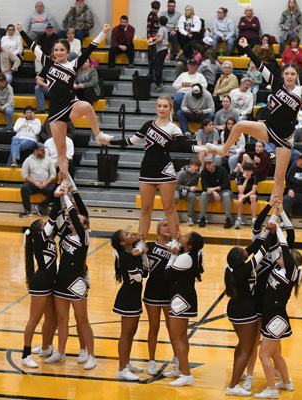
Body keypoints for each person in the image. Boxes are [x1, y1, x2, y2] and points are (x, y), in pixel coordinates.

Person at [206, 37, 302, 211]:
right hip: (268, 129)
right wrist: (246, 47)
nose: (289, 76)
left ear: (297, 76)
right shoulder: (276, 83)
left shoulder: (301, 91)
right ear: (283, 75)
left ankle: (277, 212)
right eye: (287, 74)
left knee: (278, 179)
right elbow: (260, 65)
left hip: (285, 139)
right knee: (239, 125)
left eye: (293, 74)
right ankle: (224, 150)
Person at [17, 22, 112, 190]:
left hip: (70, 104)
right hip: (55, 113)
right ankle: (65, 181)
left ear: (68, 52)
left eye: (62, 50)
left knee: (87, 107)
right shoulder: (48, 63)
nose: (59, 52)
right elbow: (33, 47)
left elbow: (91, 48)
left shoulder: (73, 65)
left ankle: (98, 135)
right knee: (61, 152)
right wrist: (21, 31)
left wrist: (103, 32)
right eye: (56, 50)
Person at [107, 96, 206, 253]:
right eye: (159, 106)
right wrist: (110, 142)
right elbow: (131, 141)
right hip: (147, 169)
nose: (162, 109)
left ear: (170, 108)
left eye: (165, 106)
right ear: (156, 107)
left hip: (165, 169)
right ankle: (141, 242)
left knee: (169, 208)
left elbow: (185, 146)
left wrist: (203, 148)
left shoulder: (173, 128)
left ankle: (175, 240)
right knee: (145, 209)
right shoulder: (148, 125)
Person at [45, 180, 96, 371]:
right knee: (62, 320)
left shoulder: (84, 237)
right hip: (61, 280)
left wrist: (66, 195)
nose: (73, 221)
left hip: (77, 282)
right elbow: (58, 216)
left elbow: (73, 214)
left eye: (78, 220)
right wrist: (59, 195)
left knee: (82, 320)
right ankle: (60, 352)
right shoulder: (65, 234)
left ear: (84, 225)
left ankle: (91, 355)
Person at [223, 221, 277, 396]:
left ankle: (236, 374)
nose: (245, 250)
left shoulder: (231, 267)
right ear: (242, 259)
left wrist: (265, 232)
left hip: (233, 309)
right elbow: (261, 251)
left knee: (241, 345)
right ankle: (232, 386)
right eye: (243, 252)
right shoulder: (246, 269)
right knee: (247, 350)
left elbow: (253, 247)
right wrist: (272, 233)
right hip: (246, 311)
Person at [254, 223, 302, 399]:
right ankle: (286, 382)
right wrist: (273, 227)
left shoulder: (290, 272)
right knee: (275, 354)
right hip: (272, 317)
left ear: (291, 262)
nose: (280, 256)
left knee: (263, 354)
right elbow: (278, 248)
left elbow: (284, 245)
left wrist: (279, 230)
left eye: (284, 256)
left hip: (276, 318)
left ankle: (272, 389)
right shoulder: (278, 268)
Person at [20, 191, 62, 368]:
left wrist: (65, 197)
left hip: (50, 282)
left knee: (52, 318)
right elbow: (53, 217)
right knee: (34, 320)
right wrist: (57, 197)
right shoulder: (40, 239)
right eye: (44, 225)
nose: (48, 226)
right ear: (39, 231)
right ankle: (25, 355)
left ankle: (46, 348)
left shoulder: (49, 238)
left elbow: (57, 219)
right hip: (41, 284)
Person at [164, 231, 204, 386]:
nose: (183, 236)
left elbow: (168, 274)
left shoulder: (185, 258)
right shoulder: (189, 255)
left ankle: (187, 374)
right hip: (183, 296)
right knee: (181, 336)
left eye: (186, 236)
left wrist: (172, 255)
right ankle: (181, 368)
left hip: (181, 299)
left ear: (189, 245)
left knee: (177, 337)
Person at [110, 229, 146, 381]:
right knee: (126, 333)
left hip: (134, 296)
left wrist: (141, 253)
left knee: (131, 332)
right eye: (127, 235)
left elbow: (145, 272)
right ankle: (121, 369)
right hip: (127, 297)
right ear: (123, 243)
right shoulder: (126, 255)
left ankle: (127, 363)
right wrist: (139, 255)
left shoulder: (132, 253)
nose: (131, 234)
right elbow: (138, 277)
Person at [143, 219, 175, 375]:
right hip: (153, 290)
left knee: (173, 328)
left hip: (170, 291)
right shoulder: (149, 246)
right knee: (154, 327)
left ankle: (177, 357)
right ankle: (151, 361)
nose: (167, 228)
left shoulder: (176, 247)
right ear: (158, 229)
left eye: (170, 225)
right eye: (164, 225)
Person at [19, 143, 56, 217]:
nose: (44, 151)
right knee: (24, 188)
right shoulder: (28, 160)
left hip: (45, 184)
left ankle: (42, 206)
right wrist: (35, 183)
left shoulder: (48, 159)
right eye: (42, 150)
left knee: (57, 189)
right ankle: (27, 210)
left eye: (44, 149)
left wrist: (46, 183)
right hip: (33, 184)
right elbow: (24, 175)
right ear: (35, 151)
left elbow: (53, 174)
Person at [199, 154, 233, 228]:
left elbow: (227, 185)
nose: (208, 166)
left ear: (214, 163)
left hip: (223, 191)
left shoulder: (222, 169)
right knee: (203, 194)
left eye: (210, 164)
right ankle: (202, 218)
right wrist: (214, 192)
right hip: (211, 193)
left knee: (226, 195)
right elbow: (204, 187)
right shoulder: (203, 172)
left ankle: (228, 219)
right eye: (206, 164)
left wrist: (214, 189)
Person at [175, 158, 201, 226]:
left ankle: (190, 217)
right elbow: (175, 185)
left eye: (198, 166)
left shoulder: (197, 174)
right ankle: (167, 215)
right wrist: (188, 188)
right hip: (177, 190)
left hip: (187, 191)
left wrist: (194, 188)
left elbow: (194, 185)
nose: (196, 168)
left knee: (192, 196)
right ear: (190, 165)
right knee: (175, 197)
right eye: (195, 166)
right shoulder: (182, 173)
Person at [148, 15, 169, 93]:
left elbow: (160, 39)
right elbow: (159, 37)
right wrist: (153, 38)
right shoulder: (164, 29)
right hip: (164, 49)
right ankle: (159, 83)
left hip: (161, 49)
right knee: (157, 66)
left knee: (158, 67)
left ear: (159, 22)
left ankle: (159, 84)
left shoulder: (160, 29)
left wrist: (153, 43)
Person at [234, 162, 258, 229]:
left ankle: (254, 220)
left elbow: (253, 191)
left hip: (250, 194)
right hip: (243, 193)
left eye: (249, 171)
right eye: (245, 170)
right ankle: (238, 220)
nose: (247, 172)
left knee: (253, 197)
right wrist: (246, 180)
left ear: (252, 171)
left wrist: (243, 197)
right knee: (240, 195)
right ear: (243, 170)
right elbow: (241, 191)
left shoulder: (255, 177)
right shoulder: (239, 176)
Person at [147, 1, 161, 81]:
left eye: (157, 9)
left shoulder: (156, 16)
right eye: (155, 9)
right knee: (152, 57)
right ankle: (151, 74)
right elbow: (149, 28)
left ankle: (152, 74)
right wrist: (150, 38)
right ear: (152, 8)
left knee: (154, 58)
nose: (156, 10)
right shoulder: (151, 16)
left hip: (155, 38)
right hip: (151, 39)